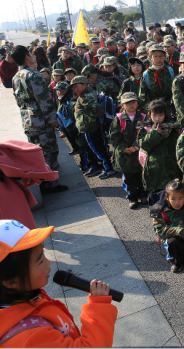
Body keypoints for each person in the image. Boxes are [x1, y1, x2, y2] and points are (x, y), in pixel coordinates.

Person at [0, 220, 118, 347]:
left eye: (43, 254)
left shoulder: (24, 295)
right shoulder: (31, 337)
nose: (48, 263)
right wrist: (99, 308)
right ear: (11, 281)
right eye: (40, 261)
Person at [11, 46, 67, 193]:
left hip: (28, 119)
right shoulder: (34, 76)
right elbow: (44, 100)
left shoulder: (16, 77)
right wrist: (52, 118)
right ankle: (50, 183)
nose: (32, 56)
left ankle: (42, 180)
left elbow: (18, 101)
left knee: (37, 151)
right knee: (49, 151)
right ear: (26, 57)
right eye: (30, 54)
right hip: (41, 120)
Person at [70, 75, 118, 179]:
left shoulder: (86, 96)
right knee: (91, 149)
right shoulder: (86, 94)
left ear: (84, 85)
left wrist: (98, 121)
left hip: (90, 127)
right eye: (73, 87)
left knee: (97, 149)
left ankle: (108, 168)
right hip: (88, 127)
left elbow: (98, 109)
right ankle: (95, 166)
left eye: (76, 86)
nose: (74, 89)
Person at [109, 92, 146, 209]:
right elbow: (114, 136)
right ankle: (132, 198)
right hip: (125, 156)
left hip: (139, 154)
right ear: (122, 105)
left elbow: (144, 134)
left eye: (133, 102)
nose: (131, 105)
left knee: (142, 176)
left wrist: (136, 146)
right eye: (127, 103)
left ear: (137, 103)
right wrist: (123, 148)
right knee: (129, 179)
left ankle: (143, 195)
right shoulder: (119, 119)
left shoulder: (143, 117)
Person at [137, 99, 181, 194]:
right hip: (154, 170)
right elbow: (144, 146)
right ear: (149, 115)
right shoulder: (146, 128)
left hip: (171, 168)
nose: (157, 118)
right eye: (154, 115)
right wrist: (154, 133)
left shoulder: (173, 127)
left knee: (173, 194)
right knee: (156, 196)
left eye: (160, 115)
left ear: (165, 114)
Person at [139, 44, 175, 110]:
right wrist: (149, 109)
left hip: (169, 107)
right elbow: (143, 96)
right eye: (155, 56)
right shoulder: (146, 74)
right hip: (153, 108)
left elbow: (174, 89)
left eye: (161, 56)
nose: (158, 59)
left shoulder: (170, 71)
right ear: (150, 57)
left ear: (165, 56)